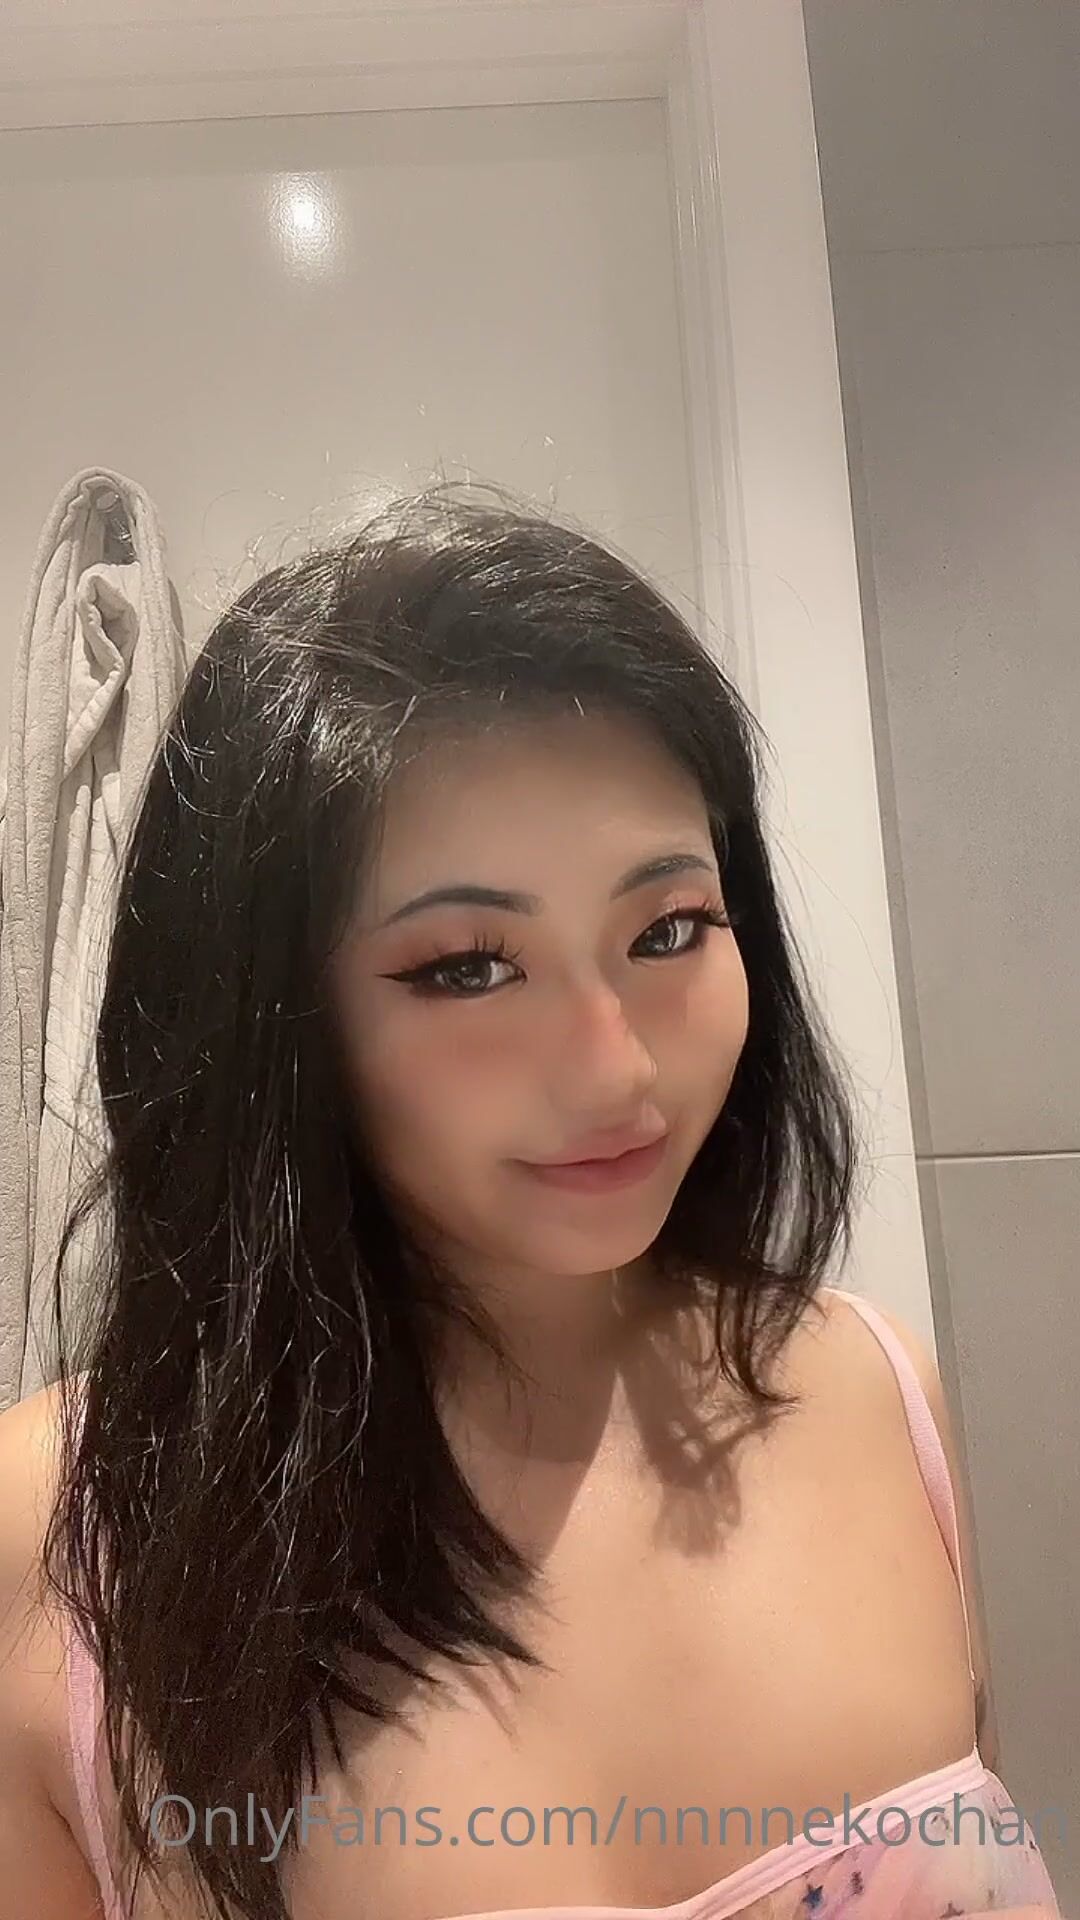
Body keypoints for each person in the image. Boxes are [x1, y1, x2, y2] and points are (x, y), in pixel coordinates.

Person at [0, 484, 1063, 1920]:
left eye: (668, 930)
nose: (616, 1068)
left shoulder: (877, 1392)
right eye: (467, 968)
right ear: (269, 1022)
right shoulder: (57, 1533)